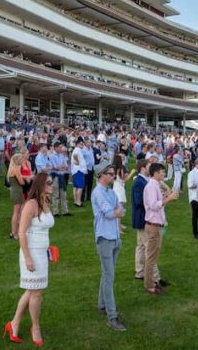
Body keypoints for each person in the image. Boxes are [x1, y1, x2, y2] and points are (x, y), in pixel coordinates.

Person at [3, 173, 54, 346]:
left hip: (42, 252)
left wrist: (48, 249)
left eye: (52, 183)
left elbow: (43, 229)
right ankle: (36, 327)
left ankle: (14, 323)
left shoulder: (46, 201)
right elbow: (21, 232)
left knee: (32, 290)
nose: (51, 186)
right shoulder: (31, 205)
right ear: (40, 184)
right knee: (36, 292)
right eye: (48, 183)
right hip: (30, 253)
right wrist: (27, 258)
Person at [91, 164, 126, 332]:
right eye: (111, 174)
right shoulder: (97, 193)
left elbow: (122, 210)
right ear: (101, 175)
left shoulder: (111, 192)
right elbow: (110, 213)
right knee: (109, 276)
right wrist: (116, 211)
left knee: (107, 274)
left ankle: (102, 305)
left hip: (115, 238)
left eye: (113, 174)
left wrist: (117, 210)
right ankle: (112, 317)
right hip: (105, 238)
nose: (114, 176)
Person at [143, 163, 179, 295]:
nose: (164, 174)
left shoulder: (155, 186)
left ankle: (151, 282)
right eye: (162, 172)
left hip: (157, 225)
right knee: (151, 258)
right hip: (153, 226)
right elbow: (153, 205)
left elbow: (157, 204)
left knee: (153, 256)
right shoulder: (151, 186)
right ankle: (149, 285)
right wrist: (168, 199)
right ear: (156, 173)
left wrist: (167, 198)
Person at [7, 153, 26, 240]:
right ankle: (15, 232)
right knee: (17, 212)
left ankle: (14, 232)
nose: (23, 160)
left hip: (15, 191)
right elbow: (21, 182)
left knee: (17, 212)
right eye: (21, 159)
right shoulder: (16, 169)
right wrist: (26, 179)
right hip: (17, 191)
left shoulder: (12, 168)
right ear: (17, 160)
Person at [49, 142, 70, 216]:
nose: (61, 149)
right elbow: (55, 167)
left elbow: (66, 166)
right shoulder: (52, 156)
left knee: (63, 194)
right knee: (56, 195)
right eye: (60, 147)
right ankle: (55, 212)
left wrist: (61, 167)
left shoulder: (62, 155)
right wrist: (60, 167)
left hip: (62, 176)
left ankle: (65, 211)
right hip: (55, 177)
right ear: (56, 147)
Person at [187, 159, 198, 239]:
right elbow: (190, 185)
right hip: (194, 198)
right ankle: (195, 233)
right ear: (197, 164)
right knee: (195, 216)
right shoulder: (192, 173)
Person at [71, 138, 87, 207]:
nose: (82, 145)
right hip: (79, 170)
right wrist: (78, 162)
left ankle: (75, 201)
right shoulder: (77, 150)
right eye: (81, 144)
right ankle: (78, 201)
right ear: (77, 144)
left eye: (82, 144)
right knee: (80, 187)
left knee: (76, 186)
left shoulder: (77, 149)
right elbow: (75, 156)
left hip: (76, 170)